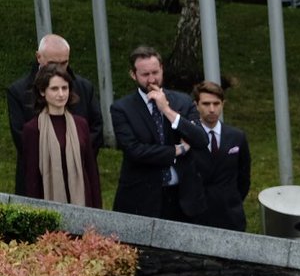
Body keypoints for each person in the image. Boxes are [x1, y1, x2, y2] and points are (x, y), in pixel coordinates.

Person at [110, 45, 207, 221]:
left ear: (162, 69)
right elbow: (135, 151)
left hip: (182, 199)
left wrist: (168, 111)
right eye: (145, 75)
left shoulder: (182, 101)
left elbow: (200, 139)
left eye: (155, 72)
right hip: (142, 198)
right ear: (133, 75)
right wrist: (176, 150)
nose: (152, 79)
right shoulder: (122, 109)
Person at [7, 33, 102, 196]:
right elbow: (22, 138)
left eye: (64, 63)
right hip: (37, 175)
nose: (58, 68)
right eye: (52, 63)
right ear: (38, 57)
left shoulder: (84, 87)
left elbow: (96, 128)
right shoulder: (18, 91)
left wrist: (75, 156)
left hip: (80, 173)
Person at [19, 63, 101, 208]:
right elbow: (31, 177)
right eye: (54, 89)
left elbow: (90, 169)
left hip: (82, 201)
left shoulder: (80, 124)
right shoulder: (32, 129)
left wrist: (97, 209)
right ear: (42, 92)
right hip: (47, 204)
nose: (61, 94)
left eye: (65, 88)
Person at [191, 81, 251, 232]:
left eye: (216, 104)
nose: (212, 109)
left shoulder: (237, 137)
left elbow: (244, 176)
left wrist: (233, 200)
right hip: (196, 216)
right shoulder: (188, 136)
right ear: (196, 105)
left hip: (230, 215)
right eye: (206, 104)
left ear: (223, 104)